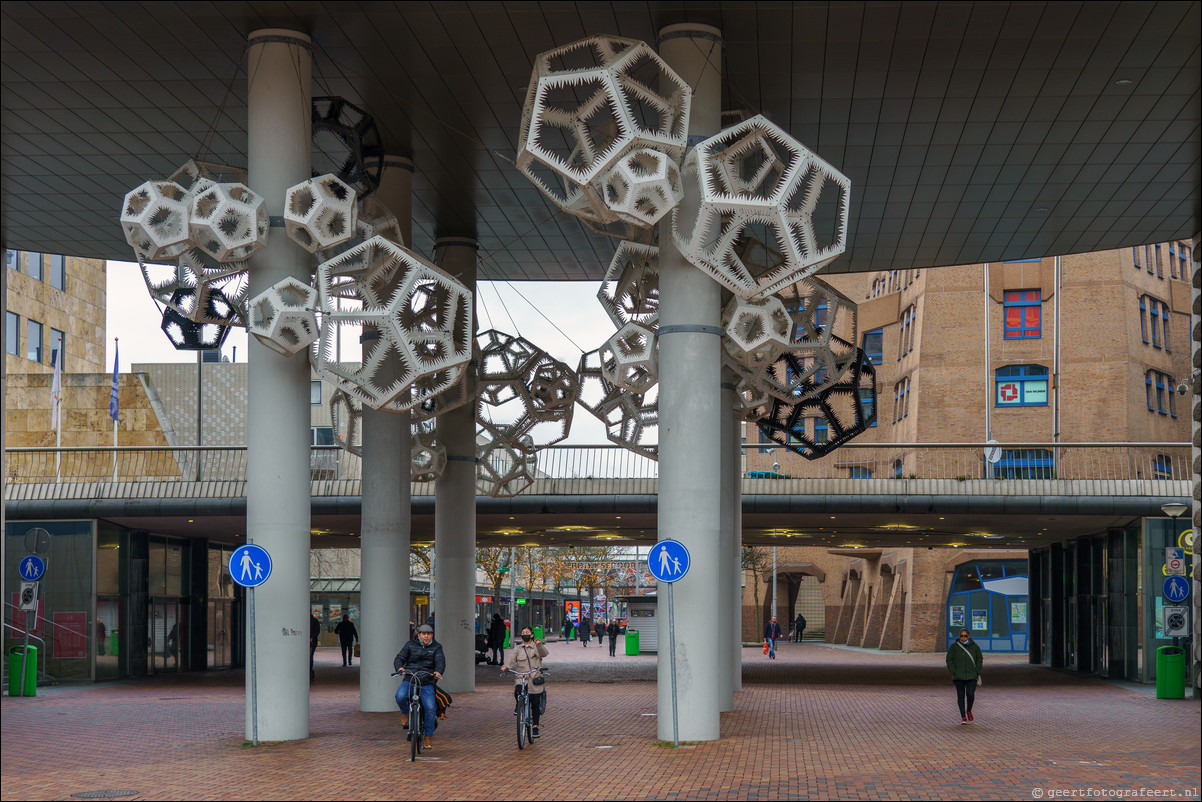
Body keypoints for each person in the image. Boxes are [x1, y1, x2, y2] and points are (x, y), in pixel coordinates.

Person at [394, 624, 445, 750]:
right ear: (419, 635)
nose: (426, 636)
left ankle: (428, 736)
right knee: (400, 696)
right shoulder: (410, 645)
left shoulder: (437, 647)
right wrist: (400, 668)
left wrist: (438, 672)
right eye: (423, 634)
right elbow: (399, 658)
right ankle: (405, 713)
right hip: (410, 678)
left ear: (432, 635)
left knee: (430, 708)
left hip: (427, 681)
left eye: (429, 634)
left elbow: (440, 661)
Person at [501, 626, 548, 738]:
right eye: (523, 632)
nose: (525, 634)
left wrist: (539, 644)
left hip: (534, 677)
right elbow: (511, 659)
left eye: (527, 632)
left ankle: (535, 727)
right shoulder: (518, 648)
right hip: (521, 676)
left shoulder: (536, 646)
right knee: (517, 690)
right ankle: (519, 705)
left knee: (535, 704)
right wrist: (506, 666)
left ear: (531, 635)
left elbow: (544, 654)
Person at [946, 627, 983, 724]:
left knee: (970, 694)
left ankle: (969, 710)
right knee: (960, 696)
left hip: (971, 675)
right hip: (958, 676)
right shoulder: (954, 647)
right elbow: (949, 659)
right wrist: (954, 671)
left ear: (968, 636)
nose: (963, 638)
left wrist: (977, 671)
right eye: (961, 636)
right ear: (959, 636)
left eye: (965, 636)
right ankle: (963, 716)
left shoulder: (975, 647)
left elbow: (979, 659)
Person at [310, 613, 321, 680]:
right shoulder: (315, 620)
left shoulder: (314, 620)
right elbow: (317, 631)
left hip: (312, 642)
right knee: (310, 656)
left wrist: (312, 638)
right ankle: (310, 671)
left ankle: (310, 671)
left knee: (310, 656)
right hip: (313, 641)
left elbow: (317, 631)